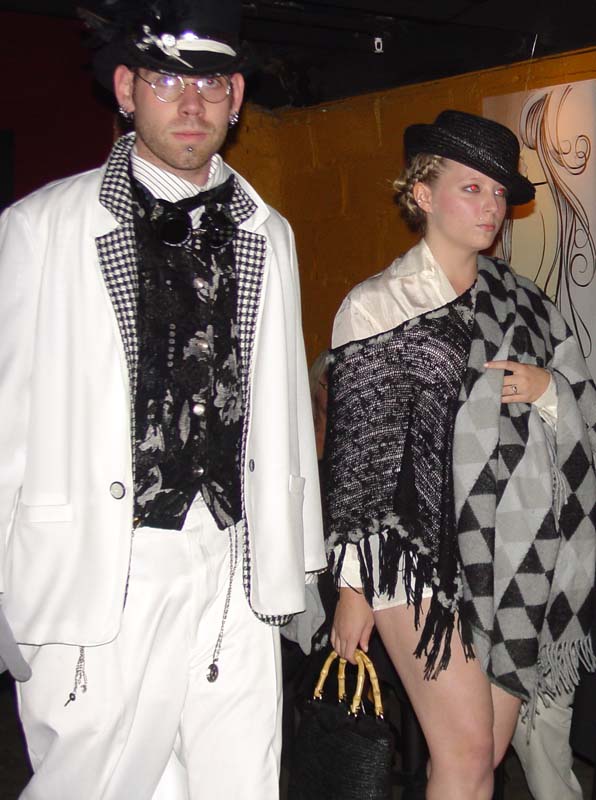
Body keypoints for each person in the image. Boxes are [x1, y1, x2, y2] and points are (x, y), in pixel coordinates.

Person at [0, 1, 326, 798]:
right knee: (101, 784)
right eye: (166, 82)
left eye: (212, 85)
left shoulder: (269, 232)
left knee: (239, 779)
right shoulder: (41, 226)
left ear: (236, 98)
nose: (191, 104)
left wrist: (300, 559)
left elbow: (284, 410)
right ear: (125, 89)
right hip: (102, 559)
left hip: (237, 558)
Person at [322, 109, 596, 800]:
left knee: (485, 754)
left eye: (498, 191)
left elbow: (584, 402)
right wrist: (353, 589)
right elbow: (360, 467)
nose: (491, 205)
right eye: (471, 187)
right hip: (411, 552)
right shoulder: (377, 306)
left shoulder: (527, 305)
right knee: (468, 753)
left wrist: (547, 390)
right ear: (422, 193)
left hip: (508, 550)